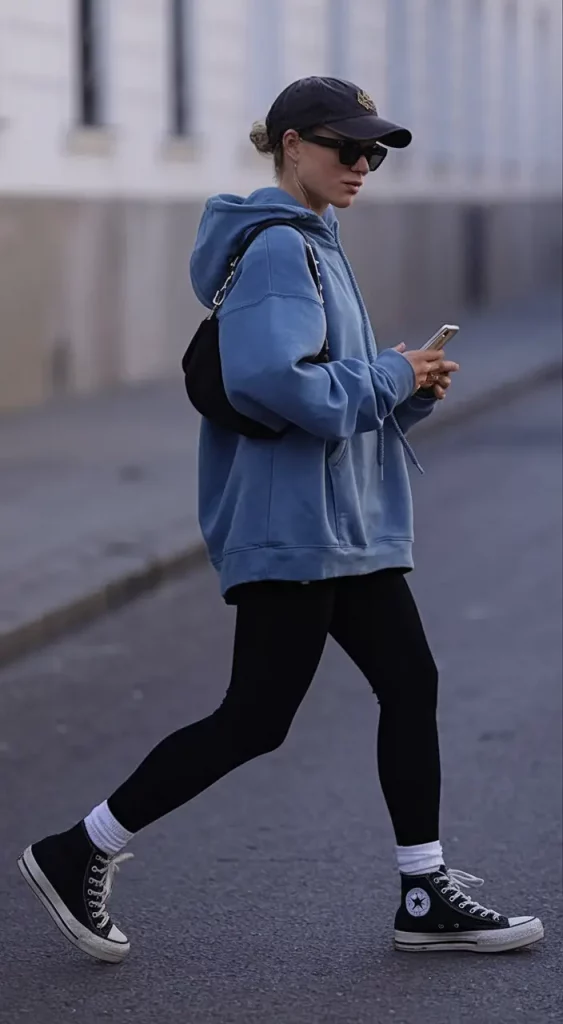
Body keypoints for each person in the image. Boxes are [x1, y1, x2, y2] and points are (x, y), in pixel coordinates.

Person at [18, 76, 543, 962]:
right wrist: (386, 376)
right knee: (254, 718)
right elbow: (272, 382)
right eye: (349, 148)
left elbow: (318, 387)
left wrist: (404, 386)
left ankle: (423, 888)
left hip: (341, 525)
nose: (364, 165)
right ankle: (78, 850)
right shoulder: (277, 249)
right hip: (295, 528)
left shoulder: (317, 244)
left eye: (374, 152)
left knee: (408, 683)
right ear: (292, 143)